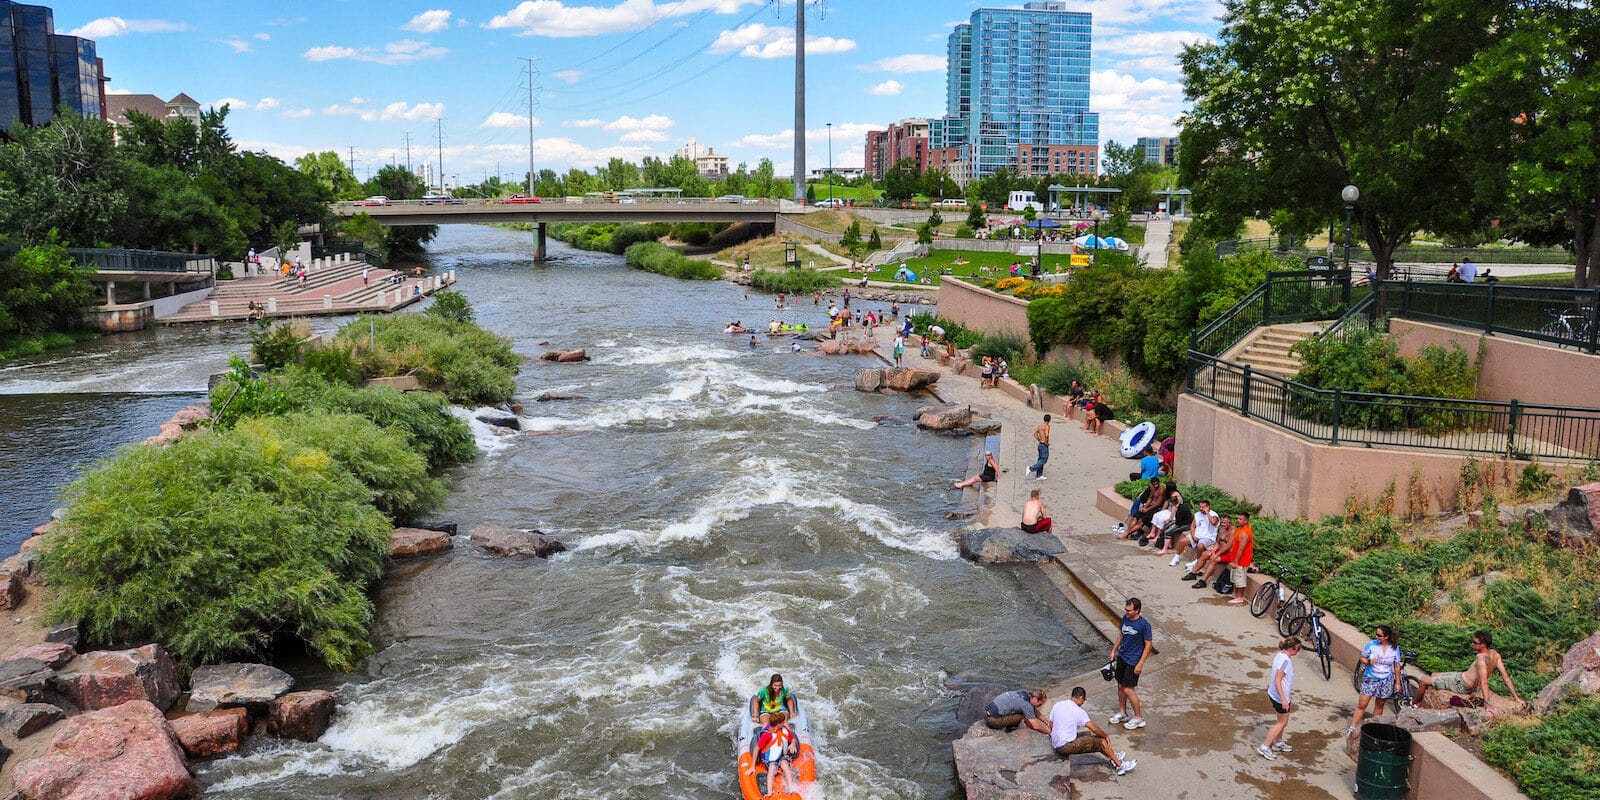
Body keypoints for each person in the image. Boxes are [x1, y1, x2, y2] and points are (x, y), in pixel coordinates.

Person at [1416, 629, 1525, 709]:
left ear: (1483, 645)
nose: (1472, 644)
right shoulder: (1495, 654)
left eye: (1475, 643)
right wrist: (1516, 697)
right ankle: (1422, 703)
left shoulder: (1480, 658)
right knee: (1434, 674)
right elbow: (1505, 676)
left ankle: (1413, 703)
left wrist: (1487, 704)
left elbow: (1484, 682)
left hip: (1461, 684)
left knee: (1423, 680)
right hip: (1460, 676)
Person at [1049, 687, 1137, 776]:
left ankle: (1112, 756)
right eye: (1083, 700)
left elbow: (1051, 724)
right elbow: (1094, 728)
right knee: (1101, 741)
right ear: (1080, 697)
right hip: (1064, 746)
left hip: (1056, 742)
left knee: (1088, 734)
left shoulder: (1058, 705)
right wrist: (1106, 736)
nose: (1083, 703)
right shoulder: (1079, 711)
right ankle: (1120, 765)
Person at [1108, 598, 1153, 730]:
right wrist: (1114, 650)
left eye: (1129, 610)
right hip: (1122, 657)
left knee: (1129, 689)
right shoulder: (1125, 618)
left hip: (1133, 661)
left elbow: (1148, 645)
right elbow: (1121, 634)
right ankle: (1123, 712)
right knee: (1120, 685)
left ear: (1137, 610)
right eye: (1126, 609)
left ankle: (1139, 717)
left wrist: (1140, 664)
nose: (1126, 612)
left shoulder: (1144, 625)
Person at [1349, 625, 1403, 734]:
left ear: (1387, 636)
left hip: (1385, 679)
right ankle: (1352, 727)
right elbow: (1362, 657)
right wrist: (1368, 661)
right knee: (1362, 704)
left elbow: (1396, 666)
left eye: (1379, 635)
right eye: (1376, 635)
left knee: (1380, 704)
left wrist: (1398, 683)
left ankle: (1373, 727)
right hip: (1371, 678)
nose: (1377, 637)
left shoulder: (1395, 648)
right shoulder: (1372, 645)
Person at [1259, 636, 1301, 760]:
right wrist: (1284, 699)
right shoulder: (1286, 661)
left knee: (1281, 721)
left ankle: (1278, 742)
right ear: (1292, 648)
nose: (1298, 652)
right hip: (1280, 697)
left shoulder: (1280, 655)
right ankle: (1265, 746)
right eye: (1297, 649)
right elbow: (1278, 680)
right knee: (1282, 722)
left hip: (1275, 694)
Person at [754, 711, 799, 796]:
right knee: (772, 768)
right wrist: (752, 766)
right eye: (783, 722)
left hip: (782, 756)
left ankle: (791, 788)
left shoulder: (785, 731)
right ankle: (769, 792)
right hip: (771, 758)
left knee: (785, 764)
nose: (784, 723)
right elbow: (756, 749)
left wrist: (792, 744)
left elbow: (792, 739)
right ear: (778, 724)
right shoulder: (767, 735)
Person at [984, 688, 1050, 733]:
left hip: (986, 712)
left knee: (1021, 710)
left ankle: (1008, 722)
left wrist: (1047, 722)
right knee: (1023, 715)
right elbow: (1035, 726)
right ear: (1035, 699)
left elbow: (1034, 710)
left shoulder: (1023, 693)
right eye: (1040, 704)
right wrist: (1048, 733)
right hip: (993, 720)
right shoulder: (1026, 705)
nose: (1040, 706)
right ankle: (1011, 728)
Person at [1225, 512, 1255, 605]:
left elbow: (1241, 549)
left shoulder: (1245, 533)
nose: (1238, 520)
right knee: (1235, 579)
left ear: (1246, 520)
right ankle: (1235, 594)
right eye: (1238, 518)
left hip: (1241, 561)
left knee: (1240, 579)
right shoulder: (1240, 529)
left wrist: (1236, 562)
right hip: (1236, 559)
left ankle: (1240, 597)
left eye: (1240, 519)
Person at [1025, 414, 1051, 480]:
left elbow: (1035, 434)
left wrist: (1039, 439)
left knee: (1040, 459)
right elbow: (1047, 435)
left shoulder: (1040, 426)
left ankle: (1039, 475)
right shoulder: (1047, 426)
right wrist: (1046, 442)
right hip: (1044, 445)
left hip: (1040, 444)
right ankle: (1031, 468)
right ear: (1049, 420)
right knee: (1044, 459)